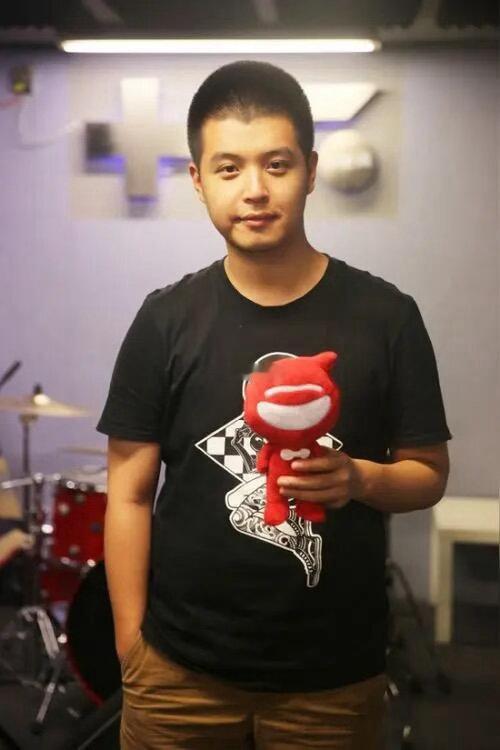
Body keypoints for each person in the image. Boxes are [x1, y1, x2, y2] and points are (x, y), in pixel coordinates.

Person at [96, 60, 452, 749]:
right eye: (229, 169)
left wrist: (358, 478)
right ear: (198, 180)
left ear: (311, 171)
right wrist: (130, 647)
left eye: (277, 165)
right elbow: (129, 493)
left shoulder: (386, 316)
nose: (254, 190)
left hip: (333, 682)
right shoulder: (165, 320)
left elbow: (428, 474)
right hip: (177, 676)